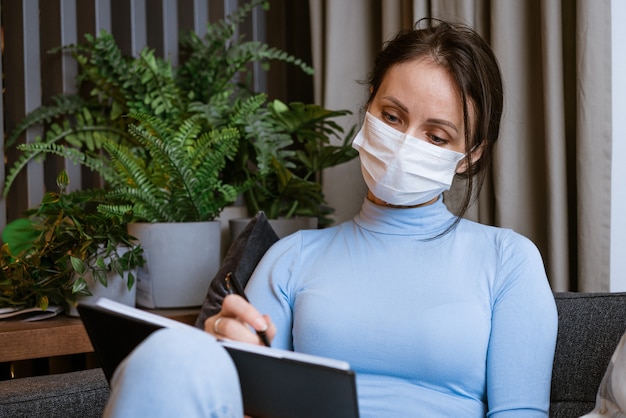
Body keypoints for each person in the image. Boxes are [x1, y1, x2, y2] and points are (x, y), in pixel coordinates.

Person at [103, 18, 558, 418]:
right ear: (368, 113)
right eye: (393, 117)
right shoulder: (292, 257)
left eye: (436, 136)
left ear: (469, 156)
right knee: (167, 354)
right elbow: (251, 404)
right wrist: (225, 349)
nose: (404, 145)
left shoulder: (508, 260)